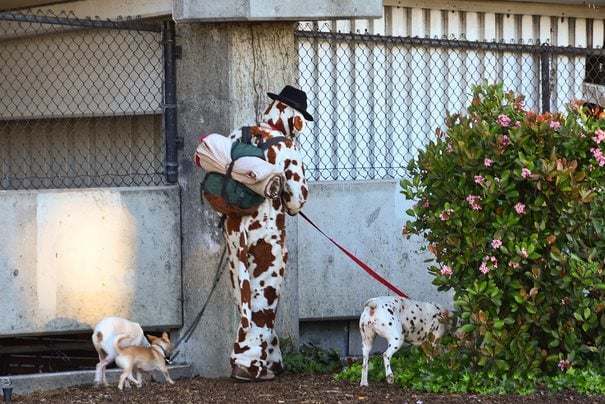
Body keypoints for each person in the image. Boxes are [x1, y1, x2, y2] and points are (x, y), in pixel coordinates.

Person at [223, 85, 313, 381]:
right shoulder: (286, 148)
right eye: (300, 120)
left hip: (235, 228)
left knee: (247, 295)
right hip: (267, 237)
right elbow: (296, 202)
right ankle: (247, 363)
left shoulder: (239, 134)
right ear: (292, 117)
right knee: (264, 297)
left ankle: (271, 359)